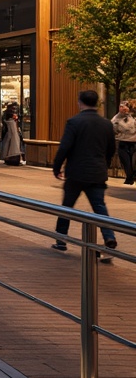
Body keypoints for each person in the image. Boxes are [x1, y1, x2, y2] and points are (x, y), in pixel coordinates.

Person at [52, 90, 117, 258]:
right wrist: (105, 165)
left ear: (80, 102)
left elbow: (64, 147)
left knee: (67, 206)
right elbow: (111, 149)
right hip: (97, 172)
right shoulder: (106, 124)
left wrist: (57, 167)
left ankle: (61, 239)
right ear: (97, 103)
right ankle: (109, 237)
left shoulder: (74, 122)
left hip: (76, 172)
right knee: (100, 206)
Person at [111, 101, 136, 185]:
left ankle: (130, 178)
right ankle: (129, 178)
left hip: (133, 143)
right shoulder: (116, 119)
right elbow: (113, 129)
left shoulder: (132, 117)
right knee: (126, 163)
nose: (123, 108)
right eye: (121, 107)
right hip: (122, 143)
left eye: (125, 107)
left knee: (133, 163)